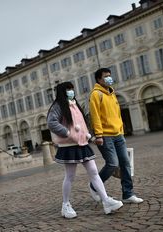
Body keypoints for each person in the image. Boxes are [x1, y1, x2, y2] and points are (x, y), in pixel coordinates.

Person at [47, 81, 123, 219]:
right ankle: (65, 204)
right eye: (68, 89)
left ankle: (106, 201)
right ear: (62, 92)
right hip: (69, 146)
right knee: (70, 176)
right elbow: (51, 122)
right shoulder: (58, 106)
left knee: (94, 171)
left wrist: (90, 136)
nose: (71, 91)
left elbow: (83, 124)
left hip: (82, 143)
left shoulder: (75, 104)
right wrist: (67, 133)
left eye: (72, 89)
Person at [88, 68, 143, 204]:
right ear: (99, 80)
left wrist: (121, 129)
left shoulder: (112, 93)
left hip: (118, 134)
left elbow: (117, 114)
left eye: (110, 76)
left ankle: (128, 194)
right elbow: (95, 116)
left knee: (125, 163)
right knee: (112, 164)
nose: (109, 78)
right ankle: (94, 186)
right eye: (106, 76)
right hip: (105, 136)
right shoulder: (96, 94)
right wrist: (99, 135)